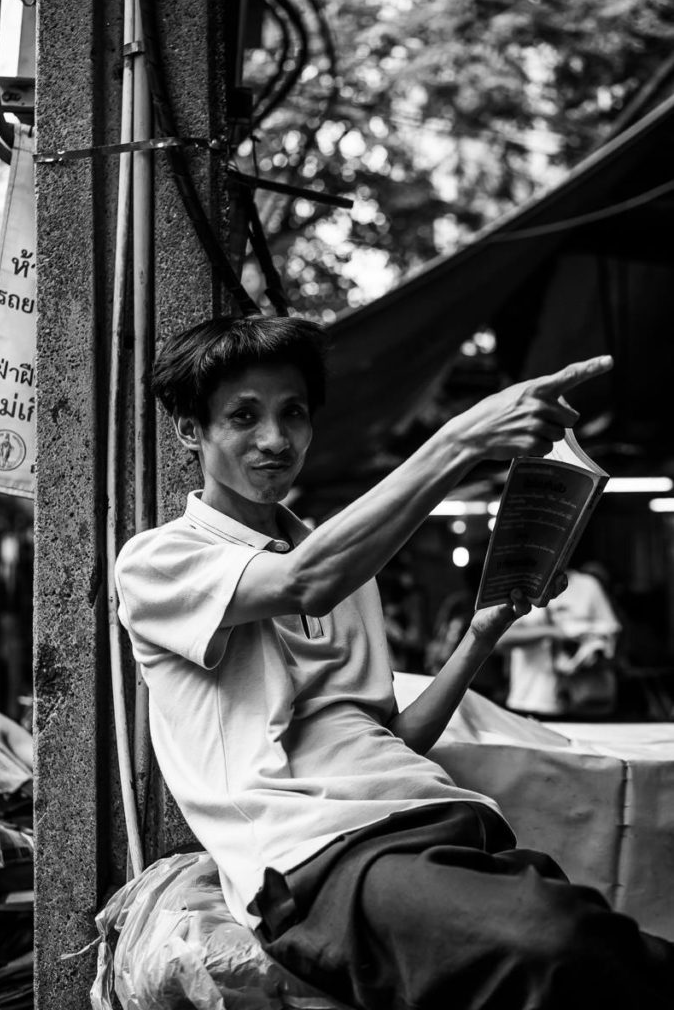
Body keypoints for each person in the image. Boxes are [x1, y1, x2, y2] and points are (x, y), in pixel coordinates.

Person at [115, 316, 673, 1010]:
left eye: (293, 413)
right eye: (243, 417)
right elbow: (301, 582)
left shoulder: (343, 568)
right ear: (189, 432)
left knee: (625, 949)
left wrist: (481, 632)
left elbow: (392, 739)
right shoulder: (159, 560)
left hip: (444, 818)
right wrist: (462, 439)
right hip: (316, 860)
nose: (275, 440)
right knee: (561, 945)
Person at [500, 566, 622, 720]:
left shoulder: (587, 585)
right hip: (532, 698)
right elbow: (500, 639)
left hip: (581, 700)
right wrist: (554, 632)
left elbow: (613, 632)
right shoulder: (522, 586)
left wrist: (589, 650)